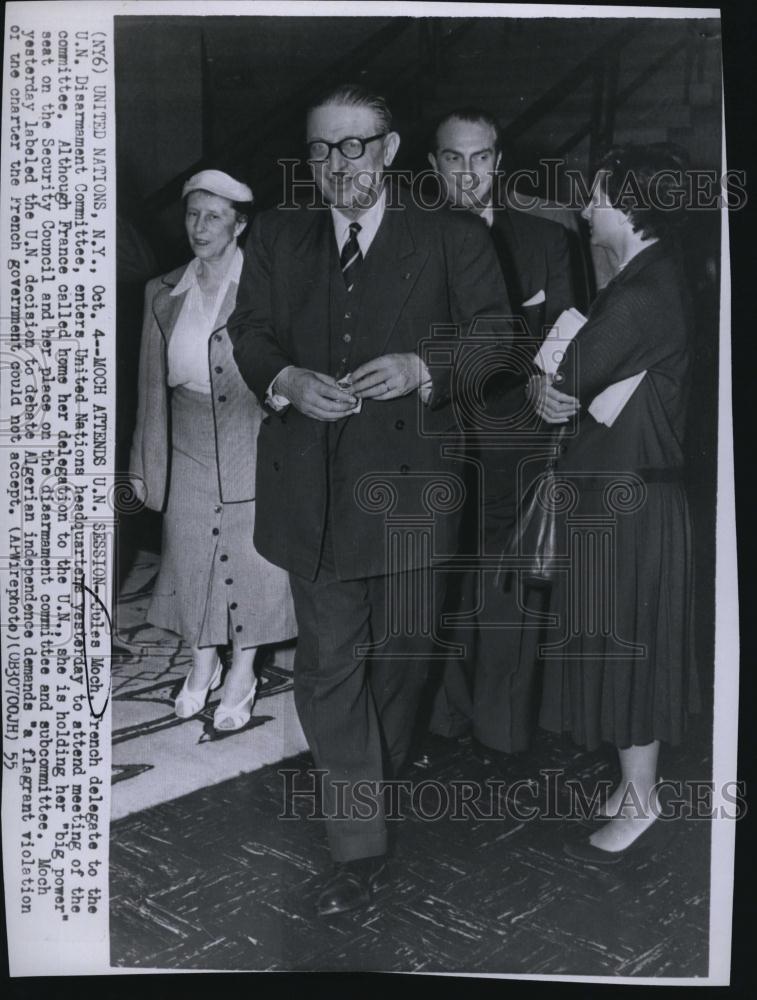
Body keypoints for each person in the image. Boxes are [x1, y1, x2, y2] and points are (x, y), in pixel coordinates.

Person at [227, 84, 509, 915]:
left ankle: (371, 777)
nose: (337, 164)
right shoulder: (278, 236)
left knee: (403, 657)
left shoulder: (453, 236)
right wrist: (281, 377)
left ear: (388, 152)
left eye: (355, 146)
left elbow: (498, 338)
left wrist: (426, 368)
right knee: (329, 666)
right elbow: (250, 332)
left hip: (412, 494)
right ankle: (358, 835)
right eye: (321, 149)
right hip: (309, 495)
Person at [527, 144, 699, 860]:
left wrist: (549, 367)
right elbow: (569, 385)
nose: (583, 207)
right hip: (628, 495)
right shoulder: (647, 278)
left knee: (631, 652)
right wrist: (556, 377)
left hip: (632, 502)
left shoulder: (636, 295)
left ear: (629, 203)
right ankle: (633, 784)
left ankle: (641, 799)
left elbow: (563, 380)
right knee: (625, 645)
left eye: (595, 195)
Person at [426, 108, 576, 760]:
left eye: (479, 157)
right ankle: (441, 720)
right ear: (433, 165)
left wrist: (549, 382)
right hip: (431, 440)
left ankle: (501, 731)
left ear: (498, 161)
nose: (467, 172)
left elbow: (570, 330)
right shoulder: (405, 241)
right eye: (453, 158)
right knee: (438, 580)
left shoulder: (544, 241)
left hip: (515, 442)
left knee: (507, 589)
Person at [129, 169, 296, 732]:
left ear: (240, 224)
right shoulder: (162, 290)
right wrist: (144, 466)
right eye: (192, 215)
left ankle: (243, 672)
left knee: (252, 559)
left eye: (214, 217)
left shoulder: (268, 286)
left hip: (252, 432)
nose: (200, 228)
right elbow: (150, 389)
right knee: (192, 553)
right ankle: (202, 663)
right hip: (188, 436)